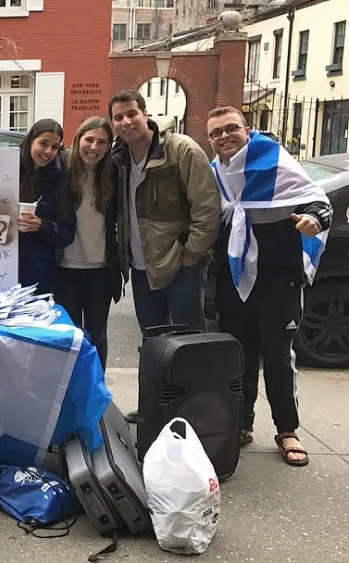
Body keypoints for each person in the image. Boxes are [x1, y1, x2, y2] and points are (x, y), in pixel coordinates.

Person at [206, 105, 333, 467]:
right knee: (238, 352)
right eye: (216, 133)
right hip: (234, 279)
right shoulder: (217, 173)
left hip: (279, 277)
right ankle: (242, 422)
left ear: (247, 130)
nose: (225, 137)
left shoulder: (276, 162)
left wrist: (312, 219)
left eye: (232, 129)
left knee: (277, 354)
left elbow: (318, 200)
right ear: (210, 141)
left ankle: (287, 430)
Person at [108, 90, 219, 424]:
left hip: (180, 264)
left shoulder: (181, 149)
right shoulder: (119, 159)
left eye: (131, 114)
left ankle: (196, 414)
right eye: (118, 117)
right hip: (142, 270)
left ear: (145, 114)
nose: (126, 122)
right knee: (154, 343)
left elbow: (207, 205)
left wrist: (192, 253)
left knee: (189, 343)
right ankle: (155, 409)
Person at [54, 117, 124, 370]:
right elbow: (23, 163)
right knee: (70, 338)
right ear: (78, 139)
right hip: (65, 269)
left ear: (109, 147)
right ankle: (71, 394)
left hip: (101, 270)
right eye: (89, 139)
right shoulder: (59, 169)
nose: (94, 147)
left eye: (102, 142)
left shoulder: (115, 173)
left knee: (97, 337)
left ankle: (96, 394)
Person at [16, 118, 77, 295]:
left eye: (55, 147)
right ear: (30, 141)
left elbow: (67, 234)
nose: (48, 151)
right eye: (43, 143)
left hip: (38, 278)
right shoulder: (5, 170)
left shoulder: (61, 180)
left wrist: (42, 226)